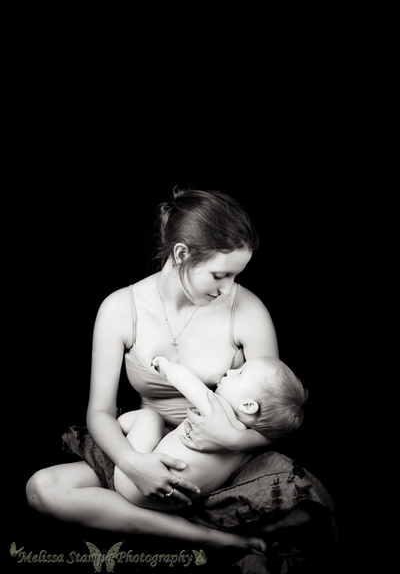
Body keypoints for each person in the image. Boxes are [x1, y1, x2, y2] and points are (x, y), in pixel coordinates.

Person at [26, 187, 307, 550]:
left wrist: (230, 438)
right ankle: (207, 536)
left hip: (221, 464)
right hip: (147, 447)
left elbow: (273, 412)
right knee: (42, 489)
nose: (228, 289)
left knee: (304, 507)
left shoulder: (248, 311)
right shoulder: (120, 309)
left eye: (236, 276)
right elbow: (99, 411)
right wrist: (135, 464)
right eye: (221, 275)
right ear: (181, 254)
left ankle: (185, 514)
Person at [114, 354, 308, 508]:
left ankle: (117, 424)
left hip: (134, 483)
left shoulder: (220, 411)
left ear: (248, 405)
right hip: (168, 505)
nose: (230, 371)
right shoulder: (248, 451)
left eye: (240, 373)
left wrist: (164, 365)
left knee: (149, 417)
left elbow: (184, 379)